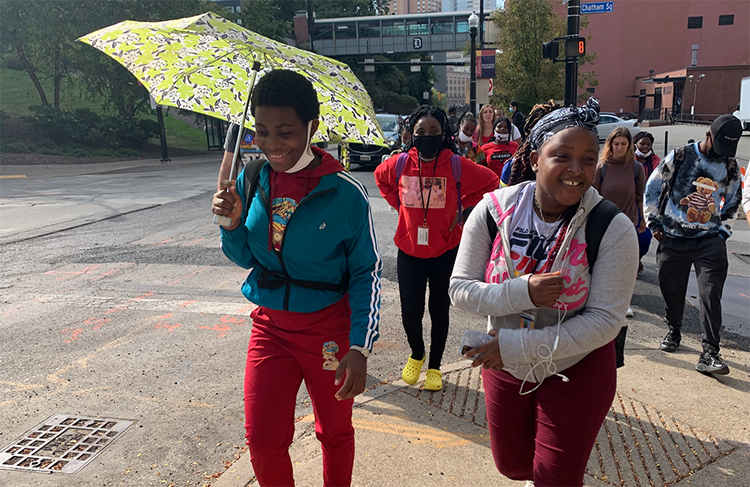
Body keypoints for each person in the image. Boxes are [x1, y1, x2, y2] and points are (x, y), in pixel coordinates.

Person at [449, 98, 638, 487]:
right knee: (513, 465)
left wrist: (516, 346)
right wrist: (522, 294)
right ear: (536, 158)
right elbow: (460, 290)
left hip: (577, 368)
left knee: (555, 478)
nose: (577, 170)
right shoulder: (492, 211)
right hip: (506, 364)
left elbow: (606, 321)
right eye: (562, 156)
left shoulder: (612, 227)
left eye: (588, 159)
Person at [211, 69, 382, 487]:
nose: (272, 145)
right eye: (262, 132)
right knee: (263, 440)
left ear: (312, 126)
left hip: (328, 330)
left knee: (334, 432)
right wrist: (231, 224)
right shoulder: (253, 179)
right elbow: (245, 258)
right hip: (271, 328)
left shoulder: (344, 193)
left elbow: (366, 273)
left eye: (285, 132)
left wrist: (359, 346)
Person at [375, 105, 499, 391]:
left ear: (444, 134)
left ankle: (434, 366)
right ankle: (417, 354)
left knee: (439, 311)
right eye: (421, 132)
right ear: (412, 134)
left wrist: (462, 206)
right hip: (409, 252)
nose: (427, 137)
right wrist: (399, 205)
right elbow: (381, 179)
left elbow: (491, 182)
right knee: (410, 312)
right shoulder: (401, 163)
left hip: (445, 251)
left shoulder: (455, 164)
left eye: (433, 132)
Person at [644, 114, 743, 376]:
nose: (722, 154)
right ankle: (674, 329)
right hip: (673, 237)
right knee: (671, 289)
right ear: (709, 135)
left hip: (709, 241)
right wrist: (654, 224)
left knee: (711, 293)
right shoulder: (680, 156)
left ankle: (710, 352)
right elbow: (653, 187)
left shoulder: (730, 165)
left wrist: (722, 232)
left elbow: (734, 201)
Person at [594, 127, 646, 318]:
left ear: (629, 145)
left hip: (628, 221)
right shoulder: (602, 167)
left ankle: (625, 303)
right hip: (604, 221)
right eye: (616, 144)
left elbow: (640, 196)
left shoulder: (636, 168)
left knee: (625, 263)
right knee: (602, 263)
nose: (620, 147)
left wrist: (643, 219)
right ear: (610, 145)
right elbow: (594, 196)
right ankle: (601, 300)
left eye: (624, 144)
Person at [633, 131, 661, 267]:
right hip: (631, 202)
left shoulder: (656, 161)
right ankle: (633, 263)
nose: (645, 147)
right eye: (642, 143)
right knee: (631, 234)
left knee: (645, 236)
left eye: (648, 144)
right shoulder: (629, 160)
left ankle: (638, 257)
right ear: (635, 144)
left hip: (648, 203)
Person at [482, 117, 519, 182]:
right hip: (492, 185)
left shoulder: (515, 146)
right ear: (494, 129)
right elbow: (482, 169)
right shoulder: (485, 148)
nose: (502, 129)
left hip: (510, 186)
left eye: (506, 127)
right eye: (499, 126)